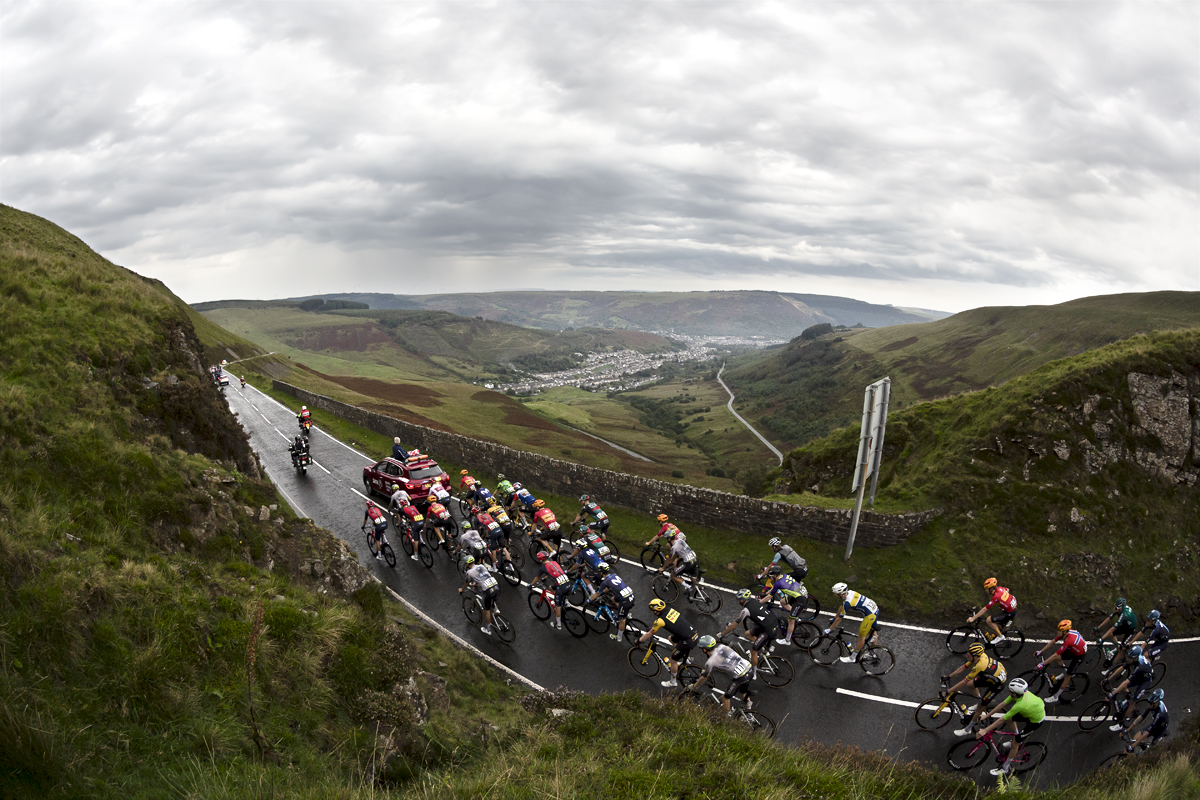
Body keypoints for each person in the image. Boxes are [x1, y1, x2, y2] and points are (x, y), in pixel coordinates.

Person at [975, 678, 1046, 778]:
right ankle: (1018, 735)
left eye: (1010, 691)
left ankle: (1005, 768)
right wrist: (986, 716)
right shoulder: (1019, 695)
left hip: (1035, 721)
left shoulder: (1019, 705)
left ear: (1015, 693)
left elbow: (1000, 720)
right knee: (1009, 719)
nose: (1009, 692)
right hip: (1033, 711)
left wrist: (985, 730)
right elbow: (1002, 704)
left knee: (1014, 744)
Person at [947, 643, 1009, 737]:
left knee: (980, 708)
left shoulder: (979, 666)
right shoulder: (980, 656)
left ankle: (968, 729)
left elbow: (962, 682)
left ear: (975, 657)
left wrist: (948, 691)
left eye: (969, 655)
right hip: (994, 675)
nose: (967, 656)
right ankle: (980, 700)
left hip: (997, 685)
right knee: (970, 684)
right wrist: (948, 676)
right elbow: (963, 667)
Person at [718, 589, 781, 677]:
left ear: (743, 599)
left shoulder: (746, 610)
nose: (738, 601)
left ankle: (753, 673)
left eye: (739, 599)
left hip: (768, 630)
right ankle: (762, 646)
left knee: (753, 651)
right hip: (771, 624)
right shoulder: (755, 601)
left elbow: (734, 625)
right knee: (747, 634)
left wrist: (722, 634)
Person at [638, 598, 698, 688]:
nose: (652, 612)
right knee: (671, 638)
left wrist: (639, 641)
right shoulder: (670, 610)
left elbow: (648, 634)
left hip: (687, 641)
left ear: (656, 611)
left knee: (672, 660)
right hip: (693, 633)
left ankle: (673, 682)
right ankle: (684, 657)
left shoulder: (659, 621)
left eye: (652, 610)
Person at [690, 635, 754, 714]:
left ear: (704, 649)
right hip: (749, 669)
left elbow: (704, 677)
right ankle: (749, 714)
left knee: (725, 698)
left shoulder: (710, 662)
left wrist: (694, 686)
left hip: (741, 677)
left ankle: (724, 719)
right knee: (742, 692)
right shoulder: (722, 646)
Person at [1034, 620, 1087, 704]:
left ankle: (1056, 696)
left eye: (1059, 631)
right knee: (1058, 658)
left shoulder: (1069, 640)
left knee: (1067, 676)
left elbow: (1055, 654)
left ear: (1065, 632)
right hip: (1073, 650)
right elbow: (1053, 642)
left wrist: (1042, 664)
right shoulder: (1065, 633)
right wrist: (1041, 651)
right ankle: (1064, 671)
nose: (1057, 632)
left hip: (1079, 655)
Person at [1105, 644, 1157, 730]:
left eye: (1130, 658)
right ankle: (1128, 696)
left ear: (1135, 658)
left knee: (1132, 702)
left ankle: (1121, 724)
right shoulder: (1133, 659)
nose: (1128, 659)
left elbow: (1126, 683)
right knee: (1123, 685)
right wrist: (1108, 678)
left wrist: (1112, 694)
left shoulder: (1139, 666)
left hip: (1145, 681)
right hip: (1140, 676)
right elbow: (1121, 668)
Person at [827, 583, 881, 663]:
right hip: (875, 609)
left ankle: (853, 658)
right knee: (873, 633)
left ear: (840, 593)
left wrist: (829, 629)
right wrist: (834, 618)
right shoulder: (850, 592)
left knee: (861, 637)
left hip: (870, 616)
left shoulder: (848, 603)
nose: (834, 594)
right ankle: (872, 653)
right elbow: (842, 606)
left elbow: (839, 619)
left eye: (835, 593)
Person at [759, 565, 811, 645]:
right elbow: (774, 588)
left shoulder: (778, 583)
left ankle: (787, 640)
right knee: (783, 602)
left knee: (791, 620)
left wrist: (758, 603)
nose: (770, 578)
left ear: (775, 575)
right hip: (799, 594)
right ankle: (796, 616)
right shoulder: (784, 576)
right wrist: (765, 593)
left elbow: (768, 598)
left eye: (771, 576)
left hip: (800, 599)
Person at [587, 561, 635, 640]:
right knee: (613, 598)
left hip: (625, 600)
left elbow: (597, 594)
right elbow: (609, 588)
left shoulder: (604, 582)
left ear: (602, 572)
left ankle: (619, 637)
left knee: (622, 620)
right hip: (629, 594)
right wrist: (602, 592)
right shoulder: (614, 575)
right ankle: (626, 612)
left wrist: (590, 600)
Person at [967, 578, 1018, 643]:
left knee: (989, 620)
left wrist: (973, 618)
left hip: (1010, 612)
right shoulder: (1000, 588)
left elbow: (985, 609)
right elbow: (1007, 589)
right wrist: (1005, 601)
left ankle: (1000, 636)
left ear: (991, 589)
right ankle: (995, 635)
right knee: (998, 627)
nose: (985, 590)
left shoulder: (995, 597)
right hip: (1012, 606)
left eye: (986, 589)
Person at [459, 555, 500, 635]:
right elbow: (483, 575)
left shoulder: (469, 572)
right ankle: (495, 609)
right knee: (492, 597)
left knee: (486, 611)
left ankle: (488, 630)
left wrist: (462, 589)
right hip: (495, 585)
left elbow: (466, 583)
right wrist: (476, 583)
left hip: (488, 590)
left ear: (467, 564)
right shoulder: (481, 566)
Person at [1094, 597, 1138, 668]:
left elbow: (1112, 628)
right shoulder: (1118, 609)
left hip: (1130, 629)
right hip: (1125, 625)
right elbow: (1109, 618)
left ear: (1120, 608)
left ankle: (1112, 668)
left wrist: (1102, 638)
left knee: (1121, 649)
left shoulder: (1124, 614)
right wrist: (1098, 627)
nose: (1115, 609)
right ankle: (1117, 649)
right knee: (1111, 634)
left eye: (1116, 608)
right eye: (1115, 607)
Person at [657, 527, 700, 597]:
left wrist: (663, 567)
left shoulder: (674, 547)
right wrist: (672, 561)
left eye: (667, 539)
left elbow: (669, 559)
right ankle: (696, 590)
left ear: (669, 539)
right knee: (692, 576)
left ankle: (688, 587)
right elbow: (677, 554)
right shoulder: (680, 540)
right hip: (694, 559)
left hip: (688, 563)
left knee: (673, 575)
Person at [535, 550, 572, 631]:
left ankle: (558, 625)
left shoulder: (543, 568)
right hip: (568, 584)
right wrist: (544, 578)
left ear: (541, 560)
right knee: (551, 587)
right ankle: (565, 601)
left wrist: (531, 585)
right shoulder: (554, 562)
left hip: (561, 587)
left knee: (557, 606)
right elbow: (553, 572)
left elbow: (537, 578)